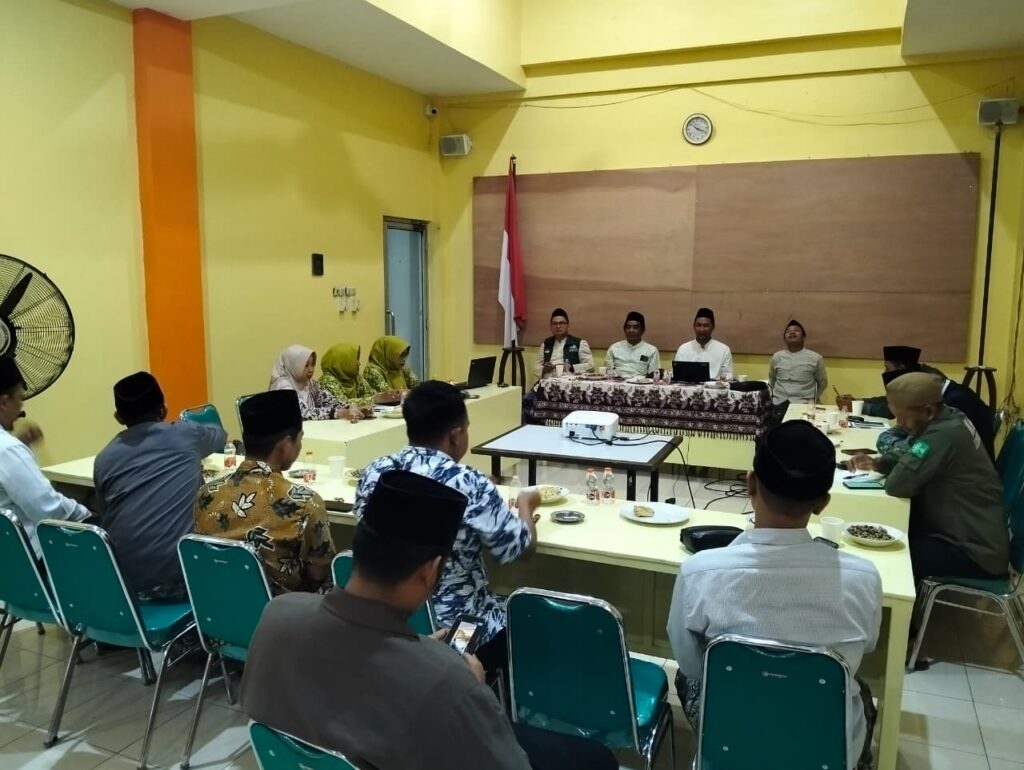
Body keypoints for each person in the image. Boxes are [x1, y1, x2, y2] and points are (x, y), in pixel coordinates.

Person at [241, 469, 617, 770]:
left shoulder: (277, 615)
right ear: (430, 571)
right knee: (596, 759)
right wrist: (476, 694)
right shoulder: (449, 683)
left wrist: (423, 655)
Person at [667, 420, 882, 770]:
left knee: (687, 677)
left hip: (731, 736)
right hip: (822, 747)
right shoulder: (863, 578)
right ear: (823, 503)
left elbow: (691, 665)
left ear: (750, 483)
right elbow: (867, 646)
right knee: (860, 690)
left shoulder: (699, 572)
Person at [354, 380, 540, 674]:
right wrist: (527, 504)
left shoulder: (377, 471)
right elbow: (520, 547)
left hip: (391, 621)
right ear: (455, 435)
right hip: (459, 631)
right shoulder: (469, 482)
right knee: (523, 618)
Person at [848, 373, 1008, 585]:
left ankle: (900, 607)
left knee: (885, 556)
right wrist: (878, 463)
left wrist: (892, 463)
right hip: (970, 535)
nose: (900, 424)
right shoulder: (949, 416)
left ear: (929, 411)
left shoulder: (942, 434)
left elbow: (897, 485)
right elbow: (914, 458)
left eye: (903, 418)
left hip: (974, 552)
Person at [93, 372, 226, 600]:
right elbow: (220, 436)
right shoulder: (186, 434)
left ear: (118, 417)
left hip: (125, 587)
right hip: (186, 578)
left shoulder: (104, 459)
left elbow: (107, 515)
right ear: (163, 410)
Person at [194, 390, 335, 593]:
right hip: (282, 611)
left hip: (219, 605)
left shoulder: (206, 494)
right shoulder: (304, 503)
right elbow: (319, 572)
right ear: (285, 444)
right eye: (300, 439)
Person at [0, 356, 90, 558]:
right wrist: (87, 514)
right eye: (19, 399)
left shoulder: (9, 449)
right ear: (4, 402)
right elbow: (49, 509)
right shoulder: (8, 449)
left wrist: (21, 445)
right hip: (30, 558)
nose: (21, 407)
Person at [836, 345, 946, 419]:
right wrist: (858, 401)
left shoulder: (923, 381)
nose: (885, 372)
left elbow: (893, 409)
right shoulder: (913, 372)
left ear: (901, 368)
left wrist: (859, 407)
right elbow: (891, 399)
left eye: (888, 368)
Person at [269, 344, 359, 421]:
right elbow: (301, 413)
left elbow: (327, 400)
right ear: (293, 366)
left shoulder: (309, 382)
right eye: (306, 365)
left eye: (313, 364)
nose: (311, 370)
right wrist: (338, 413)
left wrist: (351, 408)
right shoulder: (282, 386)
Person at [768, 319, 828, 420]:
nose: (792, 332)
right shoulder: (777, 357)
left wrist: (813, 399)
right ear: (784, 338)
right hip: (778, 404)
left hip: (803, 405)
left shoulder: (816, 358)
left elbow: (823, 383)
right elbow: (772, 379)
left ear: (804, 337)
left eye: (796, 330)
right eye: (788, 331)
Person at [673, 307, 733, 380]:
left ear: (713, 327)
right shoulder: (683, 349)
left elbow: (728, 375)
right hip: (688, 386)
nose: (702, 329)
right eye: (698, 325)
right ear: (694, 327)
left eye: (706, 326)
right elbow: (677, 375)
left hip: (715, 386)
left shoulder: (724, 350)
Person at [534, 308, 593, 379]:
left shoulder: (579, 343)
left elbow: (590, 366)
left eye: (561, 323)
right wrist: (544, 369)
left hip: (570, 382)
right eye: (554, 323)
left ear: (568, 325)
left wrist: (572, 367)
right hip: (548, 381)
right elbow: (535, 368)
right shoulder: (545, 344)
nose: (558, 326)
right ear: (551, 326)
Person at [318, 343, 377, 407]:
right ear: (343, 362)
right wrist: (374, 399)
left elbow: (371, 394)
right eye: (355, 360)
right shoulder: (328, 381)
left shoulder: (354, 377)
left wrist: (374, 398)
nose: (359, 363)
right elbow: (343, 404)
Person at [363, 335, 420, 401]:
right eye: (401, 355)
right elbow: (390, 396)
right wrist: (410, 393)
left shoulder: (400, 367)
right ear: (389, 354)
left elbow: (418, 387)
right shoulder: (372, 370)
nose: (404, 360)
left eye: (405, 355)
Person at [604, 311, 660, 378]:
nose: (631, 330)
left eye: (635, 327)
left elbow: (653, 375)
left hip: (640, 382)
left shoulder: (651, 350)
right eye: (628, 327)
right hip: (617, 381)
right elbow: (608, 372)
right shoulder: (614, 348)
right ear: (624, 330)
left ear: (643, 330)